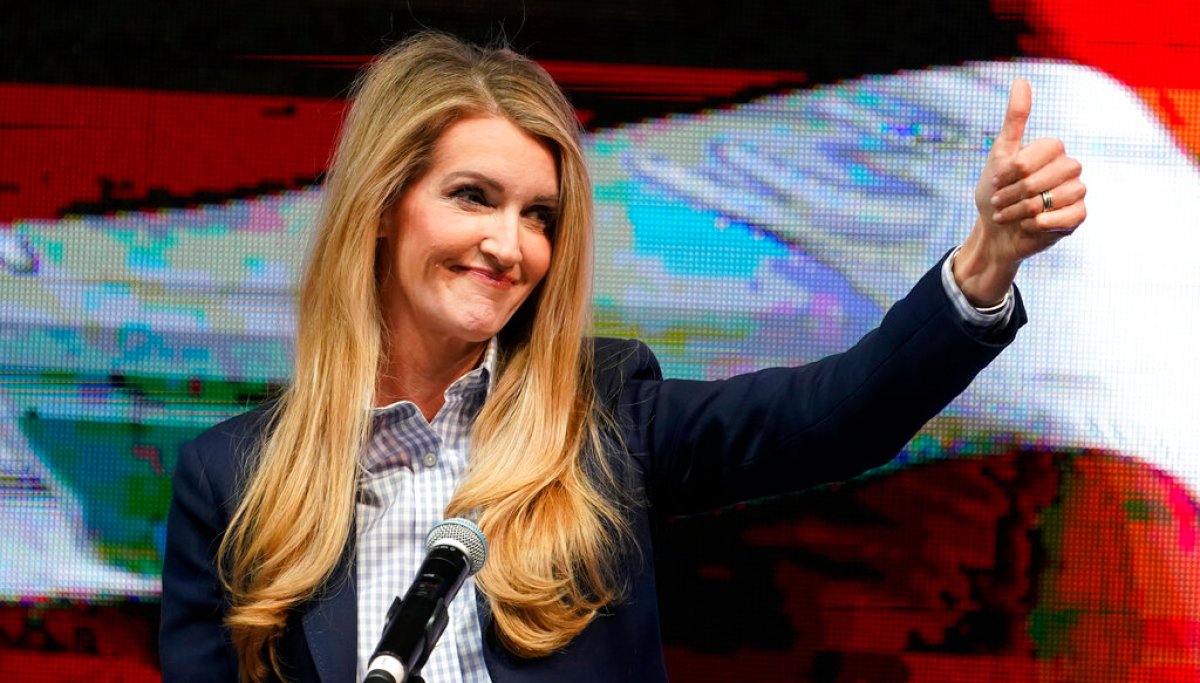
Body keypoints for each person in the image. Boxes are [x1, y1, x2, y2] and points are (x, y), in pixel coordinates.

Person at [159, 32, 1086, 683]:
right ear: (381, 204)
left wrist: (985, 262)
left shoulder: (605, 416)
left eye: (539, 216)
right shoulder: (232, 478)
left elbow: (833, 414)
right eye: (473, 196)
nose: (510, 245)